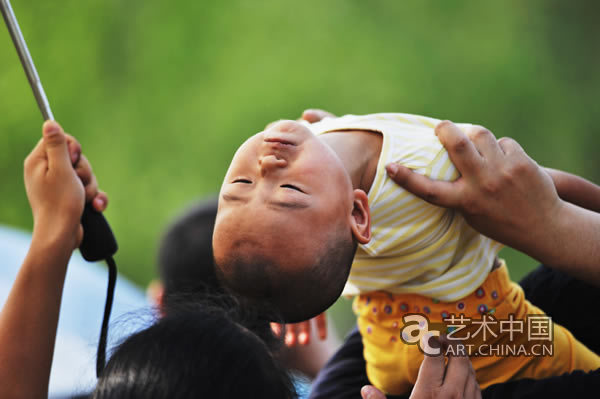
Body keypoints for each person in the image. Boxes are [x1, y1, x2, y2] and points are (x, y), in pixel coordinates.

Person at [212, 112, 600, 394]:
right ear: (358, 214)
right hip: (491, 339)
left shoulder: (319, 167)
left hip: (384, 352)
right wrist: (561, 219)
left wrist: (326, 138)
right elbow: (542, 190)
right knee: (575, 363)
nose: (266, 165)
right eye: (290, 191)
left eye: (240, 183)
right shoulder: (428, 169)